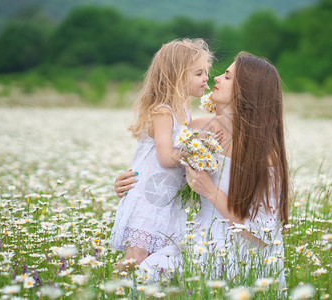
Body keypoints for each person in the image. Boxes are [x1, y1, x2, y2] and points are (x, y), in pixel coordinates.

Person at [114, 52, 289, 288]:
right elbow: (160, 171)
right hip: (195, 235)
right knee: (142, 276)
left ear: (246, 91)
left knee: (148, 279)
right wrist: (130, 183)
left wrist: (210, 191)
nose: (216, 78)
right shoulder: (196, 131)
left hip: (240, 250)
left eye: (227, 76)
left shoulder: (265, 154)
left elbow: (264, 233)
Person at [110, 38, 213, 269]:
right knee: (136, 258)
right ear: (176, 76)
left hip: (165, 197)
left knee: (155, 255)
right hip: (148, 196)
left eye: (204, 72)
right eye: (198, 73)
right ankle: (110, 283)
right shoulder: (162, 112)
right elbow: (166, 158)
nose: (206, 78)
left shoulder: (184, 111)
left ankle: (134, 289)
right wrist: (195, 151)